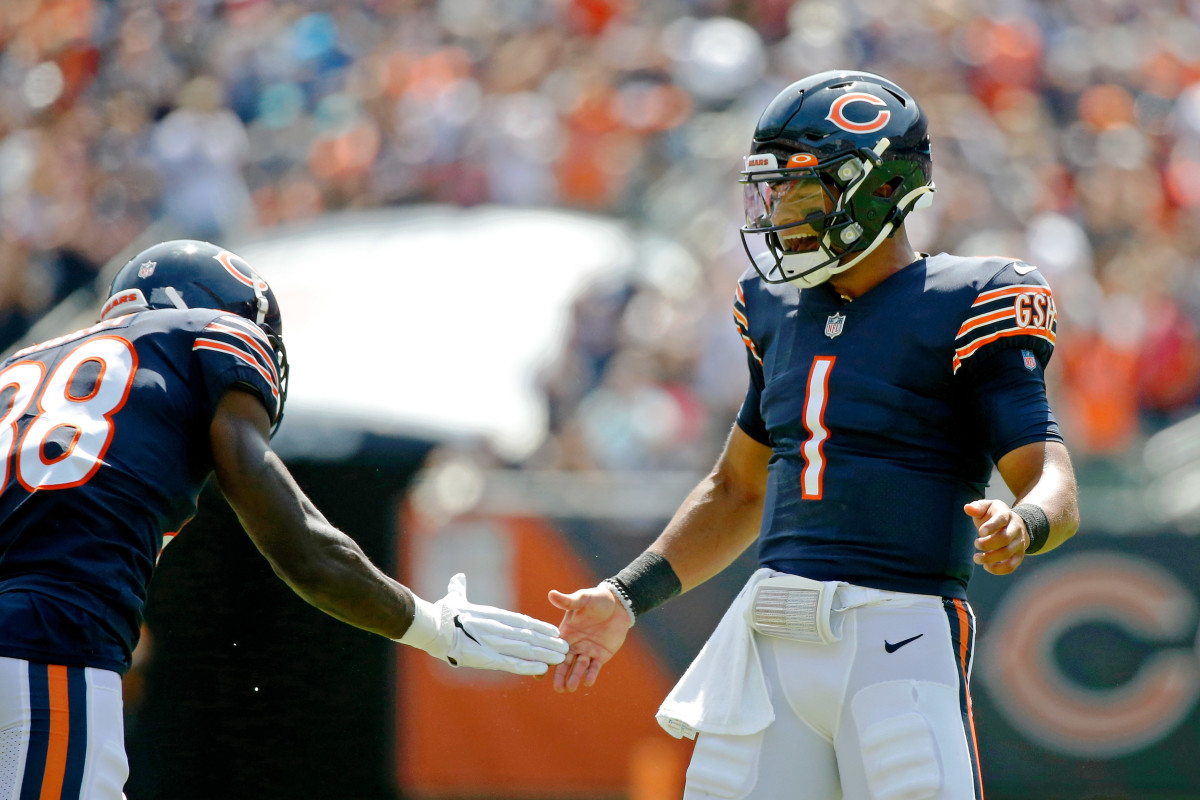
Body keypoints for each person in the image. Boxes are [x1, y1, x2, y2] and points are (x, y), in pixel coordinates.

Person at [549, 70, 1079, 800]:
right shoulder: (772, 309)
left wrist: (1024, 522)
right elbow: (737, 487)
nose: (780, 211)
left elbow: (1053, 479)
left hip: (897, 639)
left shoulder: (967, 299)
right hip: (771, 638)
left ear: (880, 186)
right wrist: (626, 594)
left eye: (803, 188)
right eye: (773, 190)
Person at [0, 239, 569, 799]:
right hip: (43, 642)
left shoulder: (22, 365)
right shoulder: (203, 335)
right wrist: (432, 626)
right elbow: (301, 544)